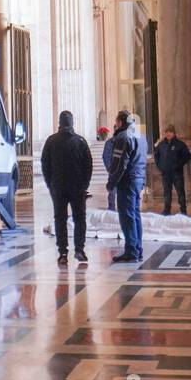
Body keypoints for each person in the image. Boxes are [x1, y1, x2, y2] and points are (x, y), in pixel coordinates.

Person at [40, 110, 93, 266]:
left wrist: (50, 183)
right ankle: (79, 249)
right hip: (77, 188)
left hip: (58, 188)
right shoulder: (80, 141)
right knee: (79, 219)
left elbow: (45, 165)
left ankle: (63, 252)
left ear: (59, 123)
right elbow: (88, 166)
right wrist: (84, 184)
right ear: (72, 123)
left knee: (60, 219)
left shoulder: (51, 141)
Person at [106, 110, 148, 263]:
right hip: (138, 179)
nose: (115, 125)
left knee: (127, 216)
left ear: (121, 122)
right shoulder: (140, 135)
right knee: (135, 215)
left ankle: (131, 251)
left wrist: (111, 183)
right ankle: (137, 249)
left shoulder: (123, 137)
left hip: (127, 180)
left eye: (116, 122)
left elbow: (119, 164)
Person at [153, 125, 190, 216]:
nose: (168, 134)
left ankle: (183, 210)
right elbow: (156, 156)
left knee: (180, 191)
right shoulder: (161, 145)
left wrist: (178, 165)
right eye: (167, 132)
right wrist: (160, 166)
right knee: (166, 192)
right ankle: (167, 209)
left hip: (177, 173)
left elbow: (187, 156)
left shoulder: (180, 144)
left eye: (170, 132)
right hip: (165, 173)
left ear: (174, 133)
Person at [101, 136, 117, 211]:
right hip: (114, 171)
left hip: (124, 171)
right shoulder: (109, 142)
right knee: (112, 190)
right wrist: (110, 169)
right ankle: (111, 208)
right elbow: (105, 156)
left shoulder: (127, 140)